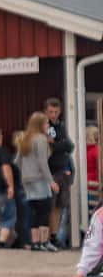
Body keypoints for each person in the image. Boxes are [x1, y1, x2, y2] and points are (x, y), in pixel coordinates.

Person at [15, 113, 55, 251]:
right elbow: (43, 162)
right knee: (44, 210)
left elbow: (17, 161)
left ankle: (35, 243)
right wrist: (51, 181)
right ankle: (44, 242)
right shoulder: (41, 139)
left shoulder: (24, 138)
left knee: (33, 211)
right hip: (39, 179)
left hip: (27, 180)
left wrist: (25, 173)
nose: (48, 126)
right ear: (40, 124)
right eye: (46, 123)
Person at [45, 97, 75, 248]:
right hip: (50, 171)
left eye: (56, 112)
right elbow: (47, 147)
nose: (53, 115)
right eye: (51, 112)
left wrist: (57, 144)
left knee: (59, 206)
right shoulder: (45, 126)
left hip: (62, 171)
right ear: (46, 111)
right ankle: (47, 236)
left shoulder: (61, 126)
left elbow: (70, 146)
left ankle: (54, 235)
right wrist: (59, 145)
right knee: (50, 205)